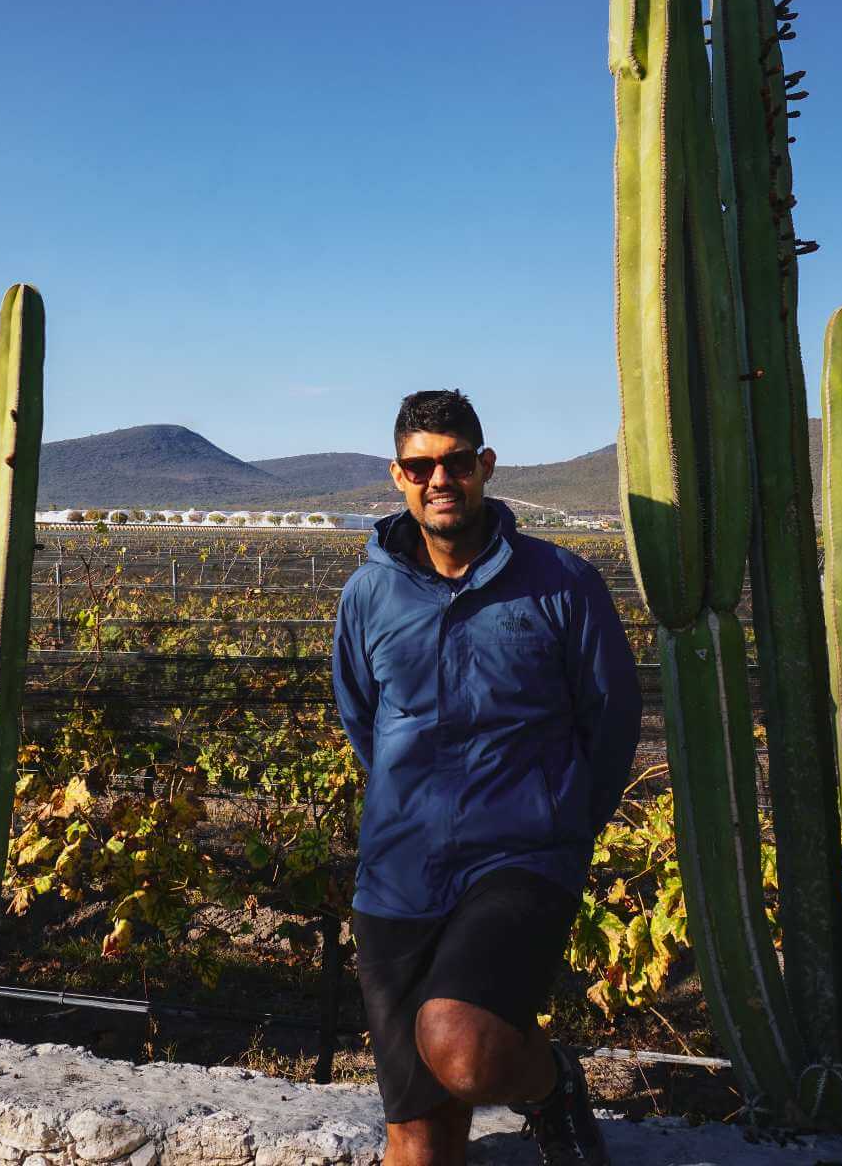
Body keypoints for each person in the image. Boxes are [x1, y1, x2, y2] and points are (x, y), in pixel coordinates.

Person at [332, 389, 641, 1166]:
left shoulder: (562, 584)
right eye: (420, 466)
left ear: (485, 467)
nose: (440, 479)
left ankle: (552, 1083)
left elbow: (609, 724)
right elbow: (362, 721)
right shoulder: (368, 593)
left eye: (456, 462)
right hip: (398, 876)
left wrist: (559, 826)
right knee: (419, 1142)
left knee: (461, 1049)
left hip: (519, 860)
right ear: (397, 477)